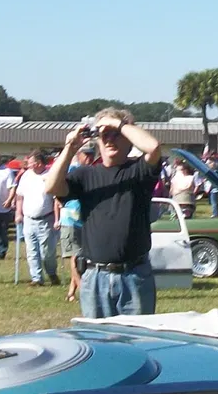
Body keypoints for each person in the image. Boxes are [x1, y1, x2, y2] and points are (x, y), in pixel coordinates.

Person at [47, 108, 163, 317]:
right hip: (94, 276)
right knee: (98, 344)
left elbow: (153, 147)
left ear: (128, 138)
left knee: (136, 344)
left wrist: (116, 123)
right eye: (104, 135)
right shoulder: (85, 175)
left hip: (134, 276)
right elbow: (52, 187)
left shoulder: (139, 171)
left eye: (116, 134)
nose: (110, 140)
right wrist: (70, 148)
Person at [16, 151, 59, 285]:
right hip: (29, 219)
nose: (27, 165)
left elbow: (56, 199)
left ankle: (51, 273)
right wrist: (18, 213)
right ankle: (36, 278)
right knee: (31, 250)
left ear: (38, 163)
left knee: (47, 252)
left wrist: (57, 219)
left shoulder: (49, 175)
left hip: (46, 219)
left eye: (30, 163)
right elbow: (19, 196)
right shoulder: (25, 176)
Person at [59, 196, 84, 301]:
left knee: (79, 258)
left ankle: (71, 293)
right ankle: (84, 291)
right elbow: (57, 198)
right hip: (70, 225)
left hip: (80, 224)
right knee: (76, 259)